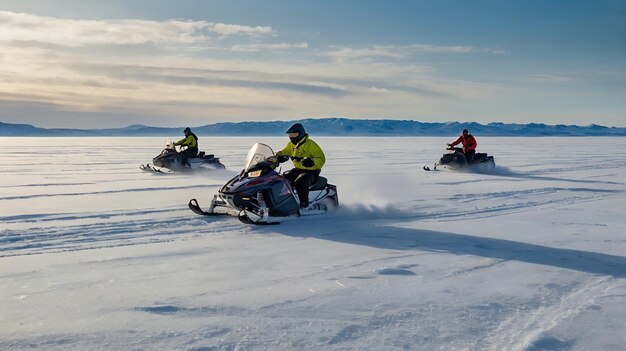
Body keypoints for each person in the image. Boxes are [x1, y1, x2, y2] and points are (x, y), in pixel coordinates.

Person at [273, 123, 325, 208]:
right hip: (298, 170)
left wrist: (312, 162)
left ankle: (304, 204)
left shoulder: (311, 144)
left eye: (294, 134)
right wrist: (276, 157)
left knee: (301, 181)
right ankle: (284, 200)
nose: (292, 136)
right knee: (282, 178)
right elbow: (284, 152)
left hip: (311, 172)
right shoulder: (291, 145)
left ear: (300, 133)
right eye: (290, 134)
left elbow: (321, 158)